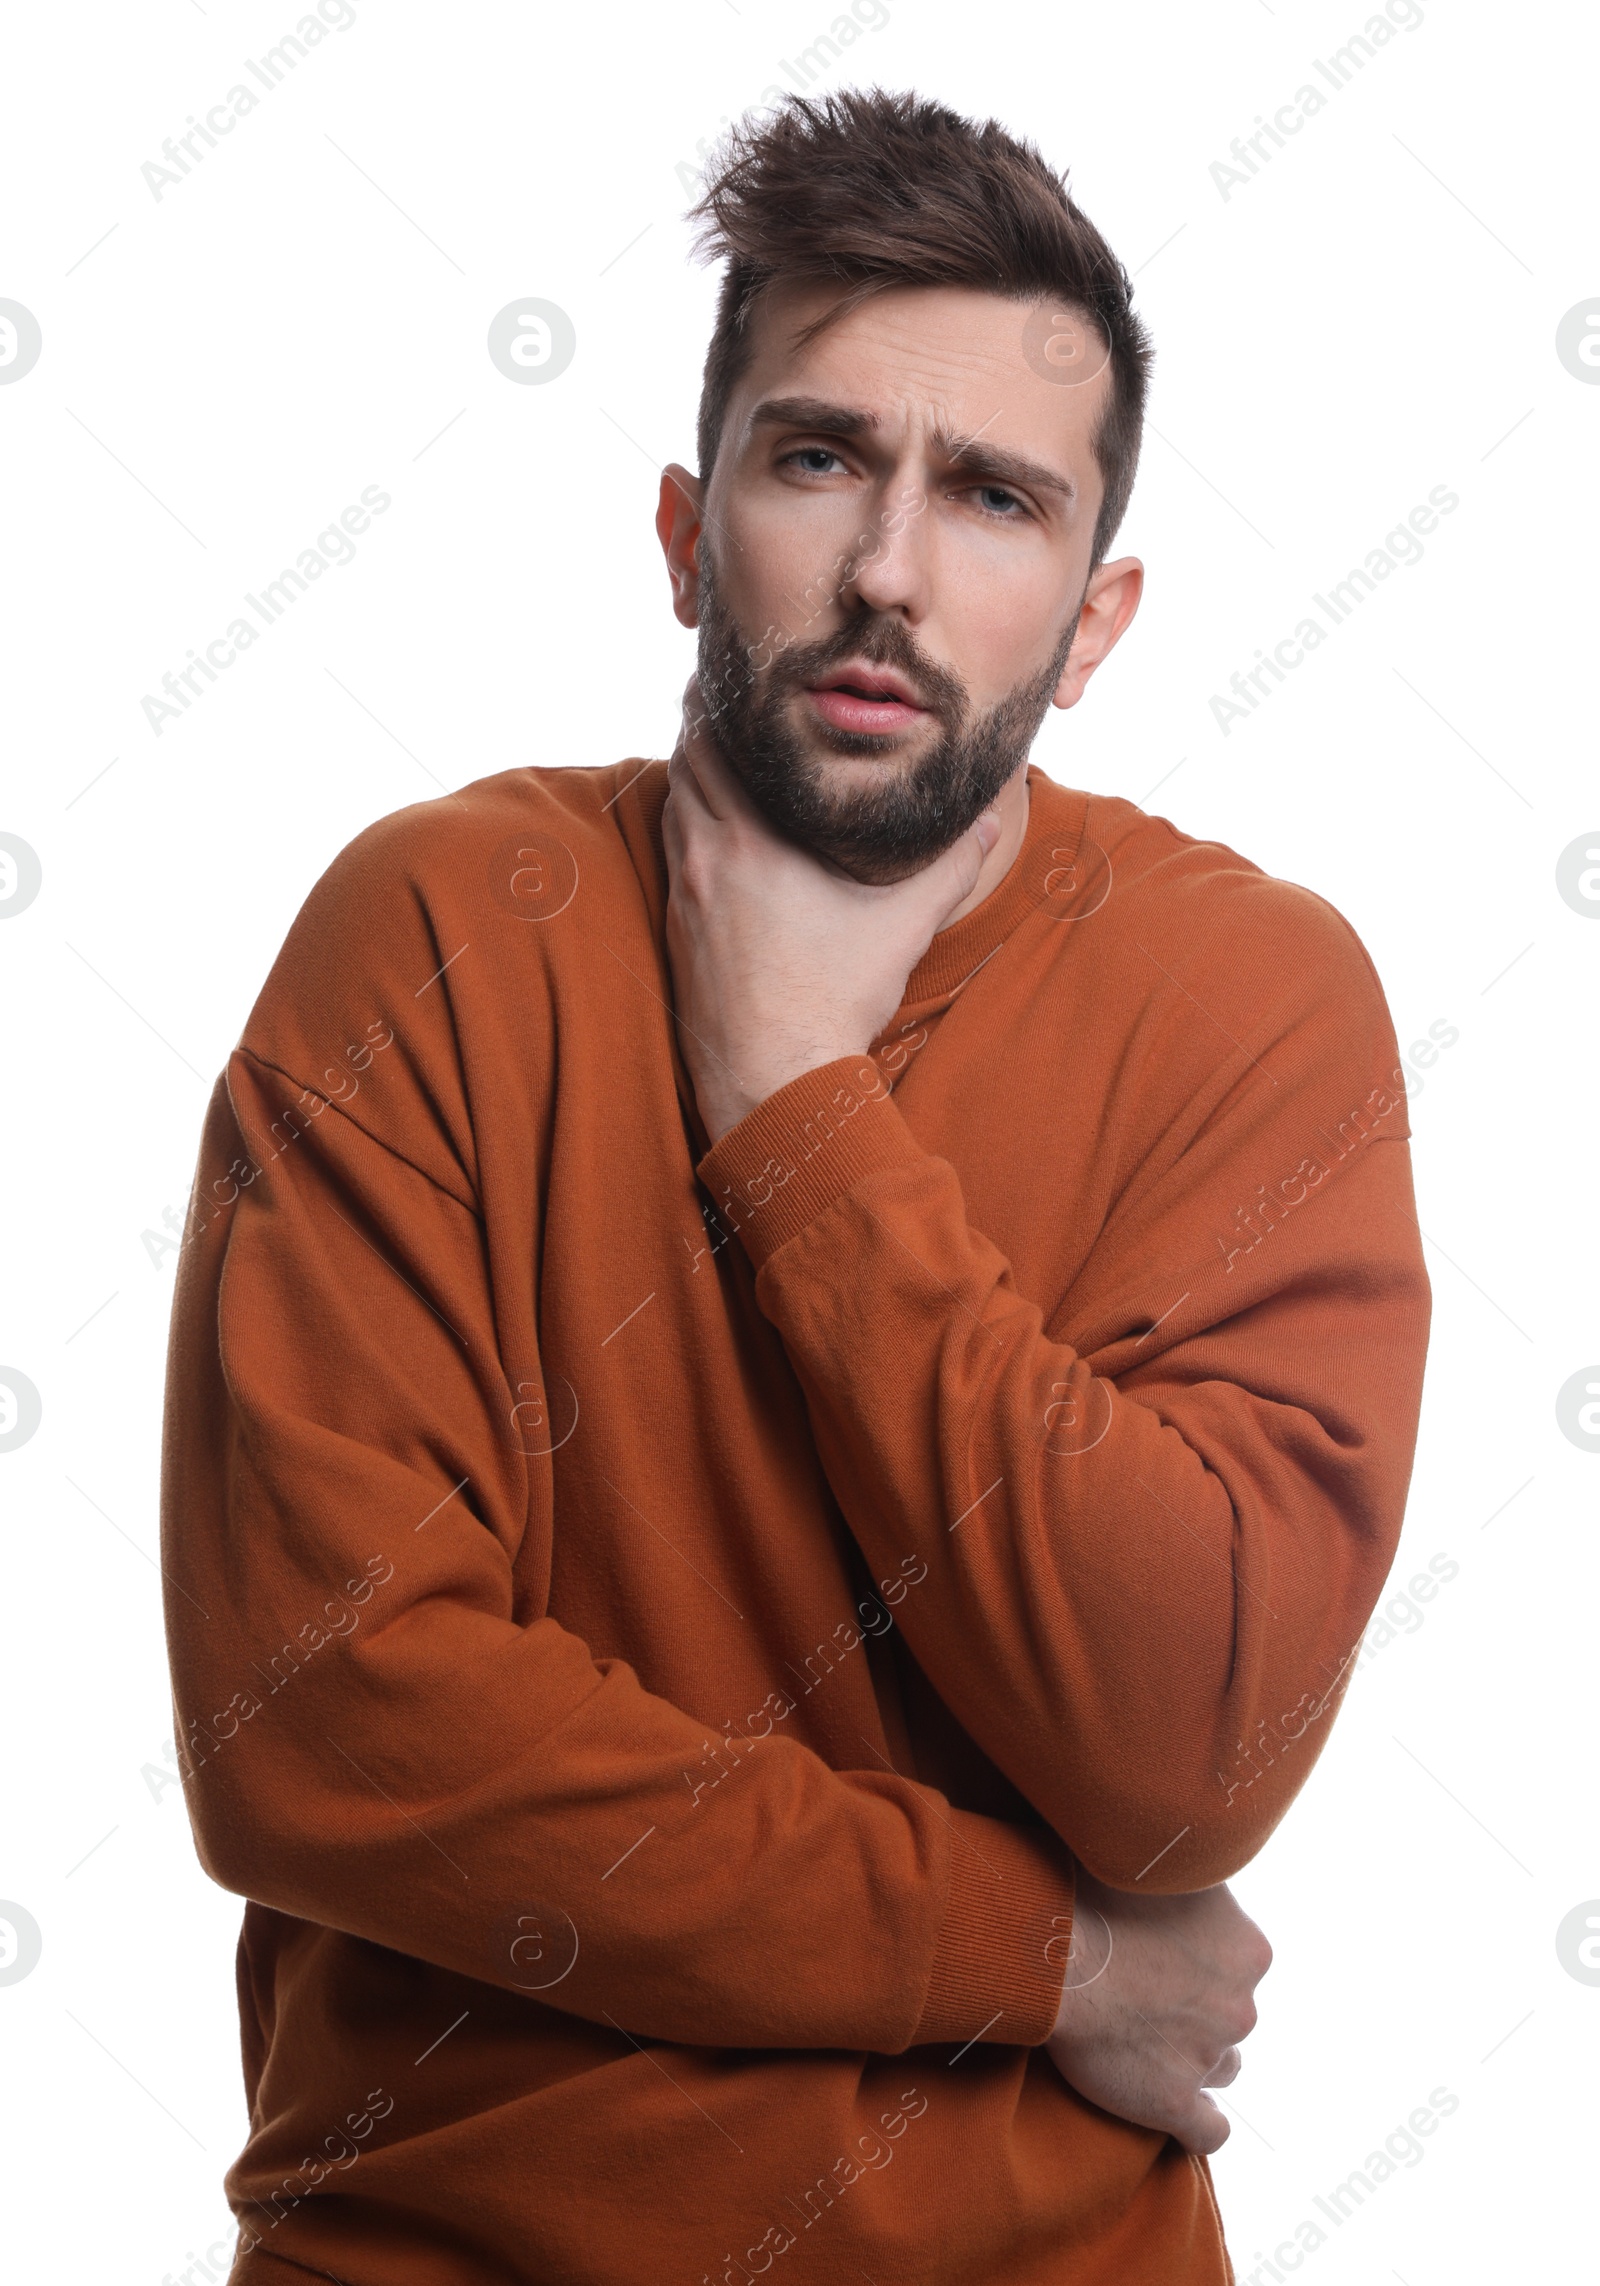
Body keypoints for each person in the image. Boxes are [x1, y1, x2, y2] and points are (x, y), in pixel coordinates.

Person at [159, 88, 1431, 2286]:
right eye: (818, 455)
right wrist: (1041, 1961)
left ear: (1094, 615)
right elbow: (328, 1727)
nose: (886, 574)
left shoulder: (1247, 996)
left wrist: (788, 1101)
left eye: (994, 497)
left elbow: (1184, 1755)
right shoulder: (440, 930)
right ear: (682, 523)